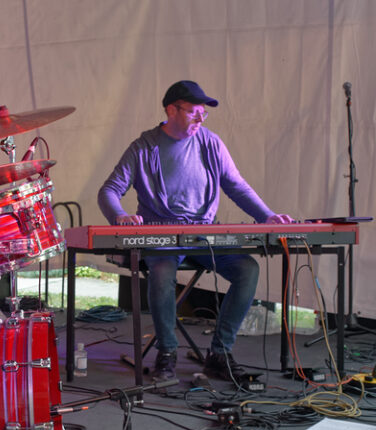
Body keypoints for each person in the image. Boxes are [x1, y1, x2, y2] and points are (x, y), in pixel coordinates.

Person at [98, 80, 294, 382]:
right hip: (159, 236)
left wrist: (267, 216)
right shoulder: (143, 147)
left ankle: (219, 353)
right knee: (162, 274)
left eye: (204, 113)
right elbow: (109, 190)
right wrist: (120, 216)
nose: (200, 119)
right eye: (193, 112)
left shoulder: (210, 143)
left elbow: (236, 186)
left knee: (247, 269)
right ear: (171, 109)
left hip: (204, 234)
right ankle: (167, 353)